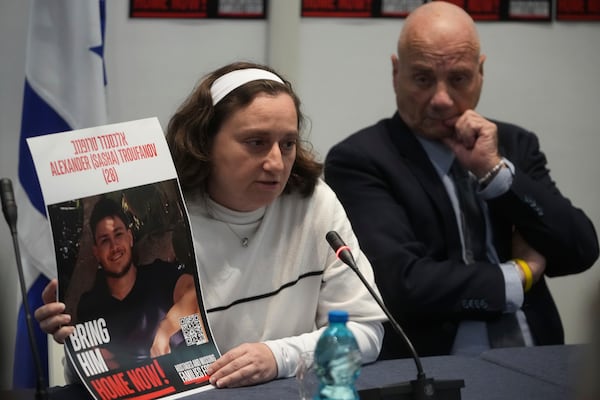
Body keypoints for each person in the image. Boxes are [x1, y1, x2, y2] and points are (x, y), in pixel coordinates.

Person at [34, 61, 387, 388]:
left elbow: (367, 332)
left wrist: (278, 356)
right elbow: (118, 372)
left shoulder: (314, 204)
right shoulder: (165, 229)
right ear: (204, 142)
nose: (277, 163)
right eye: (256, 143)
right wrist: (79, 333)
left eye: (288, 143)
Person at [324, 1, 598, 360]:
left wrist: (496, 174)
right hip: (436, 369)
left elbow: (580, 250)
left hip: (538, 356)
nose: (441, 99)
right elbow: (401, 284)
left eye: (458, 79)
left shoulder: (514, 145)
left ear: (480, 73)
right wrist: (520, 275)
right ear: (396, 72)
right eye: (423, 79)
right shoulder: (361, 158)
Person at [75, 196, 200, 368]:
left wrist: (165, 330)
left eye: (118, 235)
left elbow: (194, 292)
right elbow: (98, 362)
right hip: (134, 387)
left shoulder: (158, 274)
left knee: (196, 321)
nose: (114, 247)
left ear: (130, 238)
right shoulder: (90, 305)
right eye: (105, 241)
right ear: (96, 252)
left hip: (185, 376)